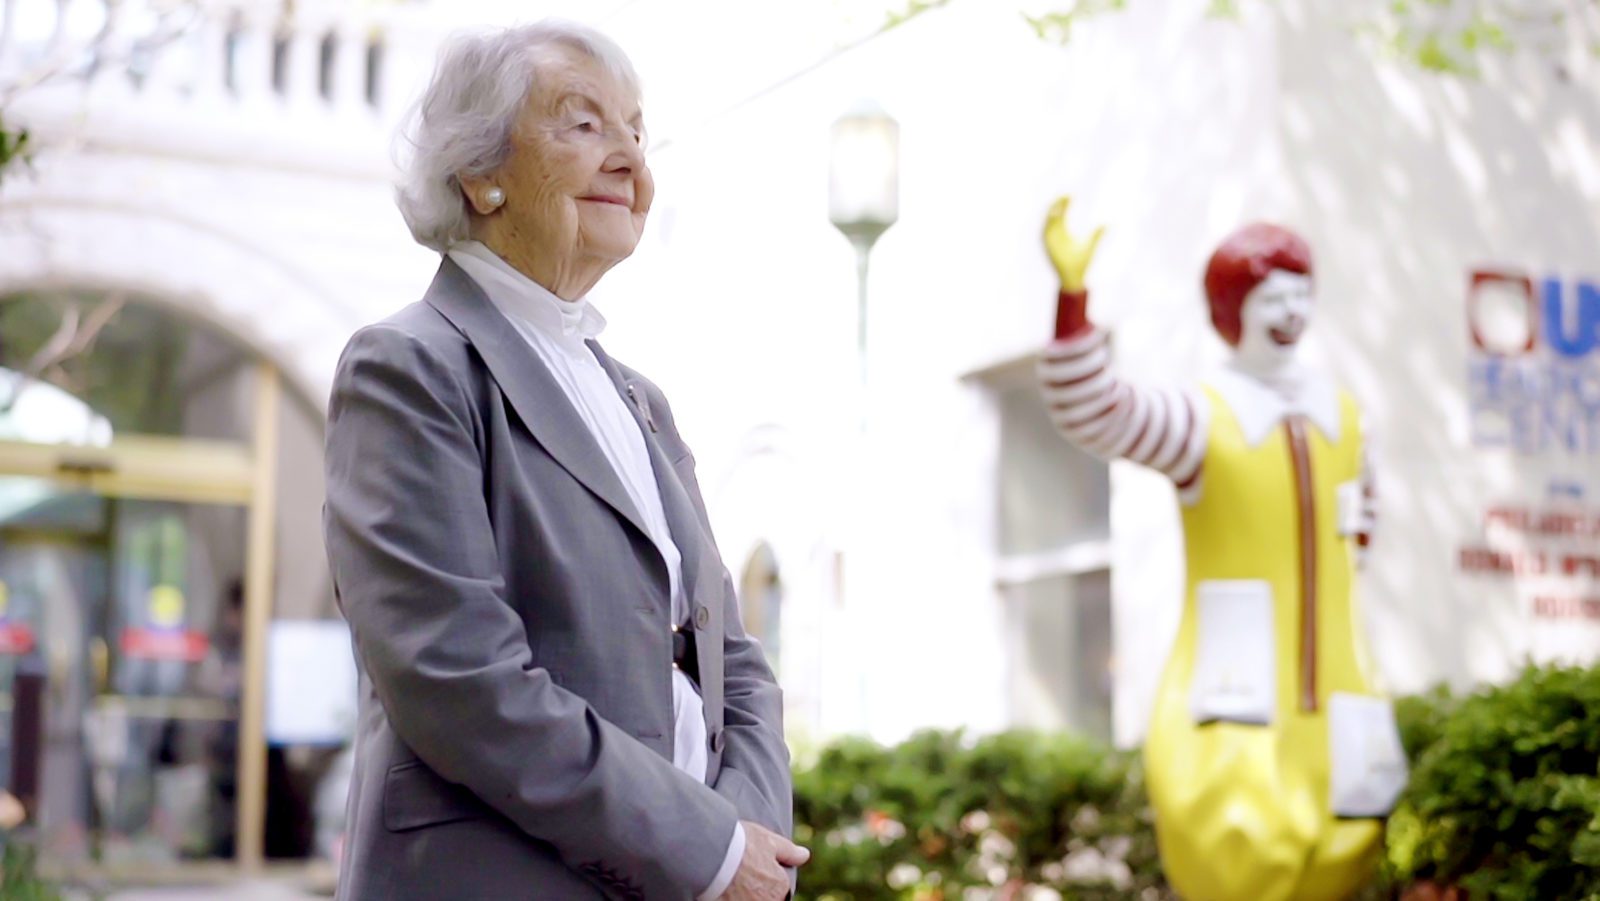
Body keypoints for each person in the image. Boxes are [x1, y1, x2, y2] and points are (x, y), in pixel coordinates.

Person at [323, 21, 804, 900]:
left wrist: (748, 838)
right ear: (479, 173)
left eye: (635, 130)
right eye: (583, 125)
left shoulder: (641, 400)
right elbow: (458, 678)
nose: (628, 158)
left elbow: (732, 660)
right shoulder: (410, 368)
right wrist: (707, 848)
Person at [1036, 198, 1405, 900]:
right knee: (1236, 844)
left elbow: (1362, 535)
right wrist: (1073, 301)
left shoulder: (1347, 417)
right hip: (1234, 690)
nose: (1291, 308)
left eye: (1301, 291)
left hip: (1338, 686)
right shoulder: (1203, 415)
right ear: (1232, 308)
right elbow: (1096, 410)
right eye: (1272, 294)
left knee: (1347, 843)